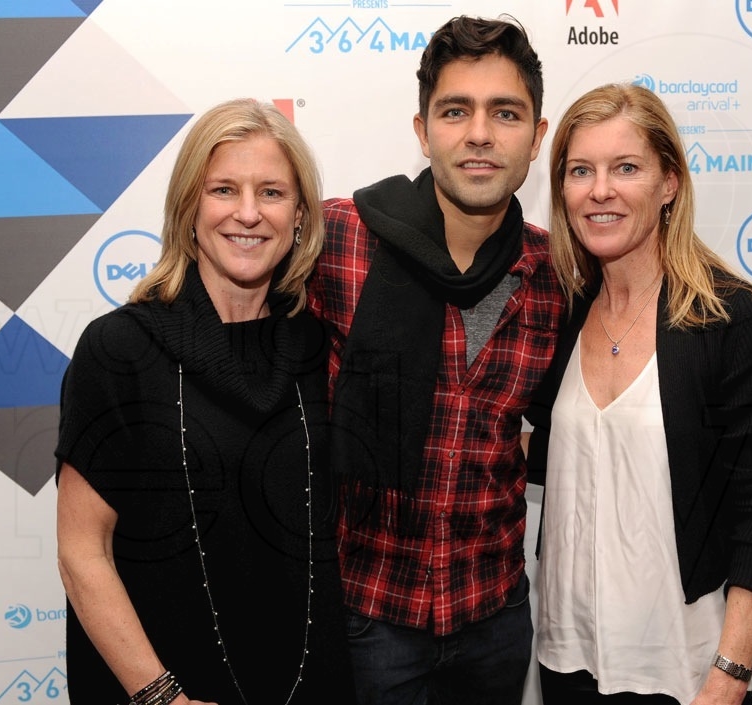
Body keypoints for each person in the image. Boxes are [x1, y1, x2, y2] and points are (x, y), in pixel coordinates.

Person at [55, 98, 355, 705]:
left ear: (300, 214)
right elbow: (82, 551)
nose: (248, 213)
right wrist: (161, 696)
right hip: (166, 689)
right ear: (189, 207)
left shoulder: (315, 342)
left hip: (306, 681)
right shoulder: (119, 351)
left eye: (271, 192)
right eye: (224, 189)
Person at [306, 15, 565, 705]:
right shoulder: (337, 240)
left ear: (536, 139)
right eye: (456, 111)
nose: (479, 133)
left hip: (496, 619)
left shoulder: (554, 276)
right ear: (423, 131)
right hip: (369, 617)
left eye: (505, 113)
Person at [525, 83, 752, 705]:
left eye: (626, 168)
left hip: (685, 673)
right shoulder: (562, 314)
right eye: (580, 171)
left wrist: (729, 678)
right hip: (568, 660)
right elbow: (549, 452)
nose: (600, 191)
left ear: (669, 183)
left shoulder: (734, 320)